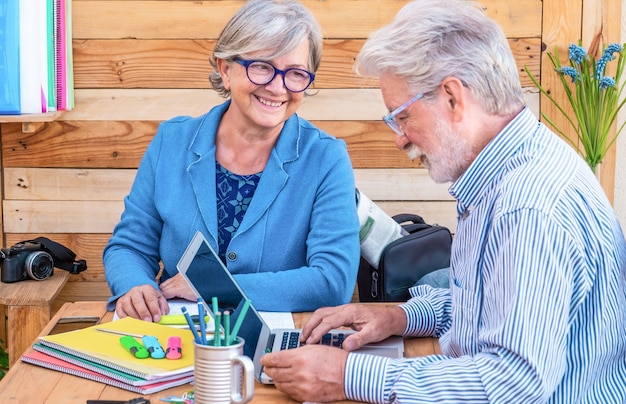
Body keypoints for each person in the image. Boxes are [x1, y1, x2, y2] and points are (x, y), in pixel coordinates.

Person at [260, 0, 626, 402]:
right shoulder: (507, 169)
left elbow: (512, 384)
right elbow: (498, 302)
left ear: (452, 97)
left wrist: (349, 376)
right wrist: (401, 315)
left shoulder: (528, 205)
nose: (399, 137)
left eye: (402, 116)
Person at [103, 0, 360, 322]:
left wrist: (215, 286)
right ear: (225, 69)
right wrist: (134, 285)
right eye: (262, 67)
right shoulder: (172, 141)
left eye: (295, 73)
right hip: (174, 333)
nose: (278, 87)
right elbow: (129, 246)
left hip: (279, 344)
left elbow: (331, 281)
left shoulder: (326, 157)